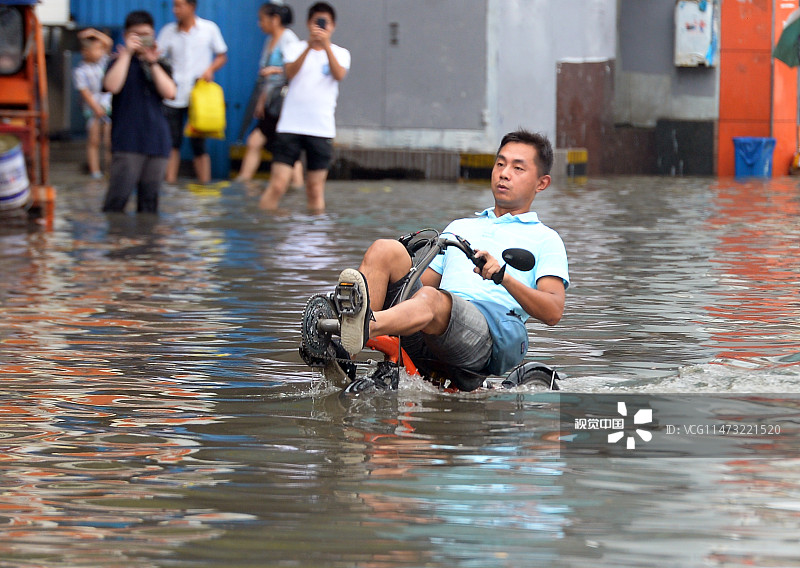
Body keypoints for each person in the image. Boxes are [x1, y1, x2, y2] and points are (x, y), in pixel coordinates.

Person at [335, 130, 570, 377]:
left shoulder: (546, 238)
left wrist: (504, 277)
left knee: (431, 298)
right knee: (386, 249)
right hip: (430, 323)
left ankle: (362, 326)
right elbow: (418, 287)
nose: (504, 173)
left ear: (541, 183)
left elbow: (553, 312)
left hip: (483, 338)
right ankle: (342, 354)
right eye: (500, 163)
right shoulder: (459, 227)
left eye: (518, 168)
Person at [259, 1, 350, 213]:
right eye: (316, 22)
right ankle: (263, 226)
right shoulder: (294, 48)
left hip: (320, 128)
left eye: (324, 23)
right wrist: (310, 46)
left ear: (333, 26)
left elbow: (339, 75)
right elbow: (289, 73)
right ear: (308, 24)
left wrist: (325, 45)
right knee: (278, 185)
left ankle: (314, 238)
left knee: (315, 188)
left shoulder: (341, 53)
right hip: (290, 126)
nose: (319, 27)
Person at [101, 10, 177, 213]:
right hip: (127, 142)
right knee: (116, 202)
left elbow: (170, 92)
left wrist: (151, 62)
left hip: (157, 143)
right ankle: (116, 241)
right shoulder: (117, 62)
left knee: (150, 205)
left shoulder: (161, 64)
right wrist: (127, 54)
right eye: (137, 35)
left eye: (147, 34)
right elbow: (112, 86)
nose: (142, 39)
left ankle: (148, 243)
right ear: (126, 36)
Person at [157, 0, 228, 184]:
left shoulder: (208, 29)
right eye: (174, 6)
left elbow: (222, 55)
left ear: (192, 7)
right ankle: (170, 182)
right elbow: (157, 57)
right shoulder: (168, 32)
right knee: (172, 142)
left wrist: (210, 69)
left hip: (198, 95)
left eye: (179, 5)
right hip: (173, 94)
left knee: (199, 143)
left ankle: (204, 184)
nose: (175, 10)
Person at [235, 2, 303, 187]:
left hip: (284, 104)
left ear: (275, 19)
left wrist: (274, 70)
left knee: (257, 141)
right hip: (271, 102)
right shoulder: (269, 40)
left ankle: (245, 181)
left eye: (262, 19)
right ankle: (295, 186)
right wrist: (261, 101)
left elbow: (297, 70)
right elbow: (265, 79)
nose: (259, 23)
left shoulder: (289, 39)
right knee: (273, 145)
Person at [72, 28, 113, 179]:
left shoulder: (104, 62)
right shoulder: (80, 71)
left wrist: (94, 33)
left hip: (108, 106)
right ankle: (95, 171)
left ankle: (110, 170)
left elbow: (108, 43)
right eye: (96, 49)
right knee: (94, 140)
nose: (100, 52)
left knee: (110, 141)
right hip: (93, 109)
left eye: (100, 49)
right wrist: (95, 108)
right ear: (85, 52)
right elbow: (84, 92)